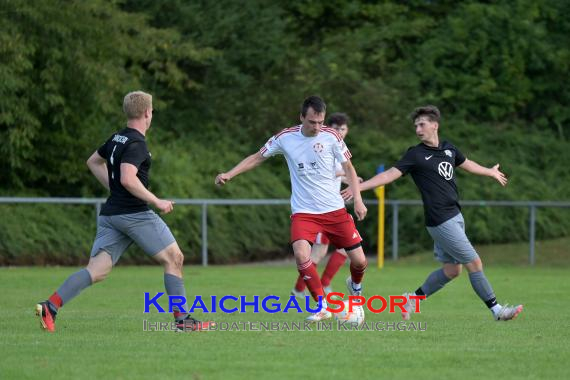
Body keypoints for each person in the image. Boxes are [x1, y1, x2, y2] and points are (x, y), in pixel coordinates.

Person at [35, 91, 215, 332]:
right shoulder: (137, 144)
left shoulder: (117, 138)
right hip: (134, 214)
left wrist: (115, 188)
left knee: (96, 271)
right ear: (147, 113)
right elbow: (128, 179)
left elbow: (92, 162)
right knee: (175, 259)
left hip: (112, 215)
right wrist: (157, 201)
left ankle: (51, 306)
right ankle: (183, 321)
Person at [342, 105, 523, 321]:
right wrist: (357, 187)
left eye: (422, 124)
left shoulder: (449, 149)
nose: (418, 129)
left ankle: (412, 299)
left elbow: (468, 164)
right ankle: (497, 310)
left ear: (434, 125)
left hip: (455, 215)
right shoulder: (416, 154)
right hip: (440, 219)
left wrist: (490, 172)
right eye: (416, 126)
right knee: (474, 263)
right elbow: (389, 174)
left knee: (452, 270)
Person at [215, 96, 368, 322]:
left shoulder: (332, 136)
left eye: (320, 122)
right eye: (312, 122)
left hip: (334, 210)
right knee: (301, 254)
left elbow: (349, 167)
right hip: (304, 212)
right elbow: (257, 158)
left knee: (359, 261)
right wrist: (230, 173)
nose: (317, 127)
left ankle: (355, 286)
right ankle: (321, 305)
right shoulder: (285, 138)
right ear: (301, 117)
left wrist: (358, 199)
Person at [290, 112, 362, 298]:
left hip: (333, 209)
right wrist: (351, 180)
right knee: (317, 254)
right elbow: (334, 170)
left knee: (343, 252)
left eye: (343, 129)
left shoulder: (337, 146)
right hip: (318, 210)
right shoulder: (322, 145)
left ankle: (321, 285)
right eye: (336, 128)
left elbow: (341, 171)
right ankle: (300, 289)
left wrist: (352, 182)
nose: (340, 131)